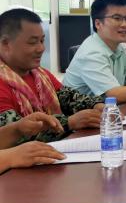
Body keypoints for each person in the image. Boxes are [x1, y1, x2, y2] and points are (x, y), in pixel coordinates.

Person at [0, 9, 105, 142]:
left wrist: (96, 105)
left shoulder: (40, 74)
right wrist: (70, 122)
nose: (41, 48)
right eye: (32, 42)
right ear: (6, 44)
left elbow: (68, 97)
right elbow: (13, 135)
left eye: (42, 41)